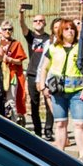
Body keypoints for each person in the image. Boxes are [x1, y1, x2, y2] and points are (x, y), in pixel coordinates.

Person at [40, 20, 83, 158]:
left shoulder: (80, 48)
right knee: (60, 123)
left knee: (79, 123)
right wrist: (43, 86)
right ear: (61, 32)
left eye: (72, 28)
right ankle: (60, 155)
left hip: (77, 91)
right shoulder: (54, 48)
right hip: (58, 91)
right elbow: (44, 68)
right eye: (66, 29)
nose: (70, 31)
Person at [20, 9, 54, 140]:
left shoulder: (49, 39)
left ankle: (48, 130)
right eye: (36, 21)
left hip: (46, 74)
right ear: (33, 23)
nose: (38, 22)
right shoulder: (31, 37)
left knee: (49, 102)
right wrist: (21, 14)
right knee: (34, 104)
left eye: (41, 21)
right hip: (32, 73)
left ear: (45, 23)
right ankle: (38, 131)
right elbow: (22, 26)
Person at [0, 20, 27, 124]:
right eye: (5, 29)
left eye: (10, 29)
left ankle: (13, 122)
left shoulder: (16, 44)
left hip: (12, 75)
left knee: (11, 100)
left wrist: (9, 59)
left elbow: (20, 61)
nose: (7, 31)